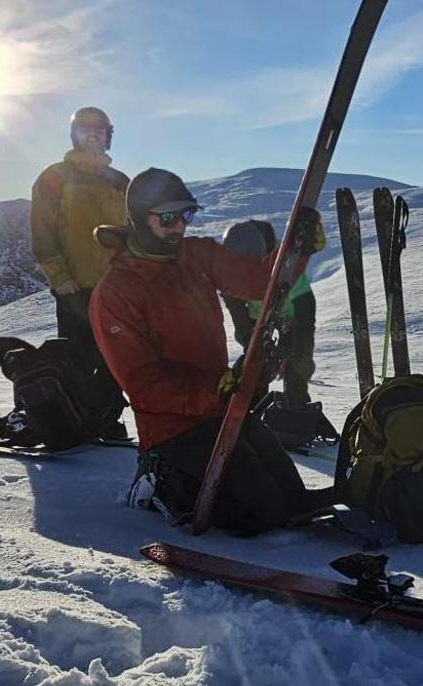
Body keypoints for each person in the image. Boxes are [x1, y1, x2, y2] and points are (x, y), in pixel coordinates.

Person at [90, 168, 332, 533]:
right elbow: (143, 385)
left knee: (290, 498)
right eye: (168, 218)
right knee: (256, 515)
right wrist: (211, 390)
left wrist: (297, 250)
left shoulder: (196, 255)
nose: (179, 227)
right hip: (172, 430)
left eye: (185, 216)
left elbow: (259, 283)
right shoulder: (115, 294)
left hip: (221, 411)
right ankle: (157, 478)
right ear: (140, 218)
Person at [30, 106, 130, 441]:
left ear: (109, 136)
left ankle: (106, 419)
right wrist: (60, 277)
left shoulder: (120, 182)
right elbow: (43, 234)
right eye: (85, 129)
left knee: (118, 359)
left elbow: (134, 233)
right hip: (75, 287)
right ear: (73, 134)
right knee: (78, 358)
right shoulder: (54, 177)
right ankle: (75, 419)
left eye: (99, 130)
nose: (92, 134)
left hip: (117, 289)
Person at [220, 219, 318, 409]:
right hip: (258, 315)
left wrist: (297, 352)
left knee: (295, 366)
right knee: (255, 363)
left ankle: (297, 411)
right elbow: (233, 301)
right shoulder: (231, 266)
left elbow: (305, 311)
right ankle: (252, 408)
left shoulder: (288, 264)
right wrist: (247, 335)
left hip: (293, 314)